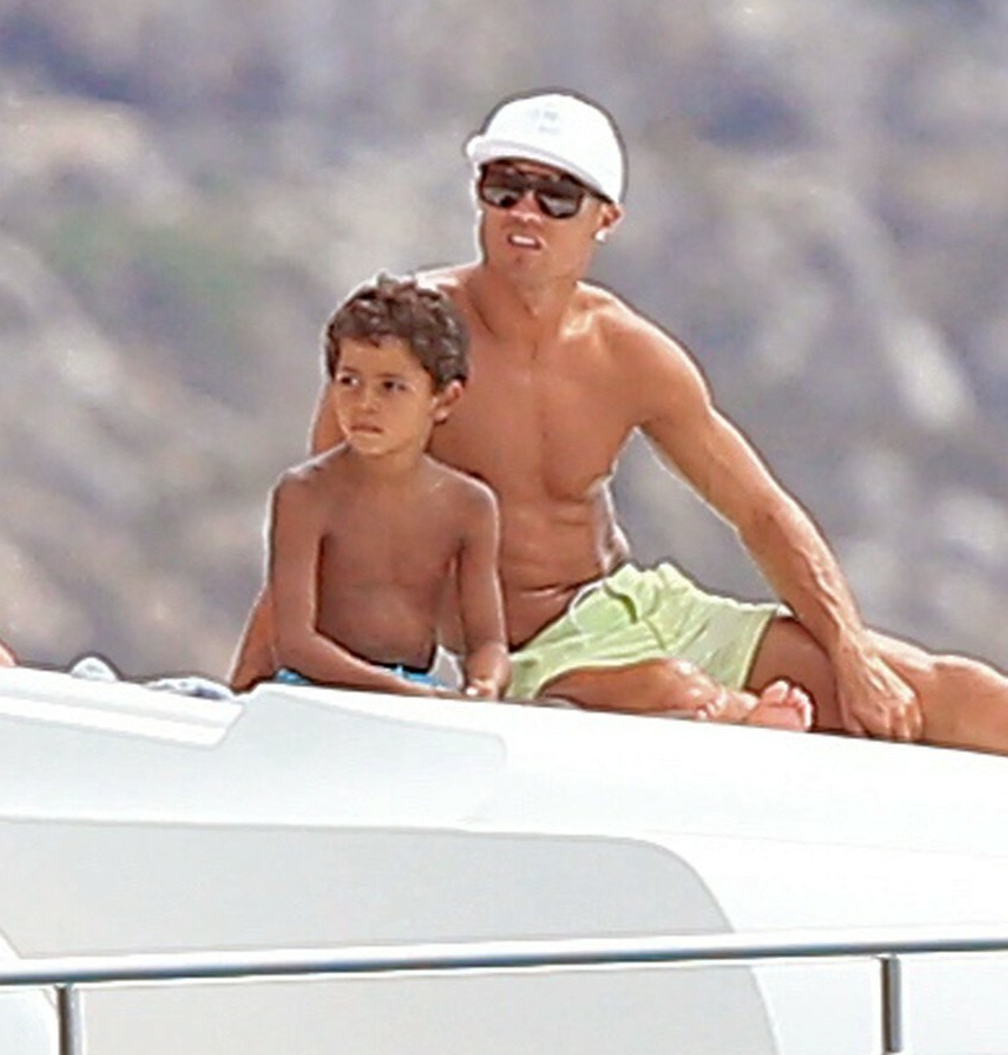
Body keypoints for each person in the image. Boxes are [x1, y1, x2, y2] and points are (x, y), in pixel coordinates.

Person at [232, 89, 1008, 755]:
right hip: (535, 657)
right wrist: (242, 704)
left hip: (644, 606)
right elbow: (321, 521)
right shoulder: (413, 341)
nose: (524, 212)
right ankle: (743, 721)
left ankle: (765, 715)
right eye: (505, 187)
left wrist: (851, 655)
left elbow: (760, 511)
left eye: (556, 196)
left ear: (604, 217)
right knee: (680, 695)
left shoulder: (628, 352)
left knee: (956, 695)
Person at [264, 273, 510, 700]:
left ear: (444, 400)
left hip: (415, 688)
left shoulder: (469, 506)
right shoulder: (306, 494)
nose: (365, 403)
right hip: (316, 690)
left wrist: (482, 686)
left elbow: (488, 641)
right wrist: (397, 692)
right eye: (349, 381)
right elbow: (295, 643)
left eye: (391, 387)